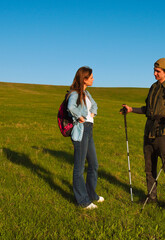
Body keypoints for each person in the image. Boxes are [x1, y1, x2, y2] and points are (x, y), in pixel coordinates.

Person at [121, 58, 165, 210]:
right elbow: (148, 109)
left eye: (158, 71)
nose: (154, 74)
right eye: (154, 71)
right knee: (149, 168)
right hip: (149, 133)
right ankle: (152, 197)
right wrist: (131, 109)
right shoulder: (153, 87)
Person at [67, 66, 104, 210]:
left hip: (89, 130)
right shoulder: (75, 93)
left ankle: (91, 193)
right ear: (84, 78)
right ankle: (83, 201)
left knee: (94, 164)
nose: (93, 79)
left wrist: (92, 112)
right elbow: (71, 107)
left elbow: (94, 105)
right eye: (91, 77)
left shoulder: (86, 93)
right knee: (79, 167)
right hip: (81, 130)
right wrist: (80, 116)